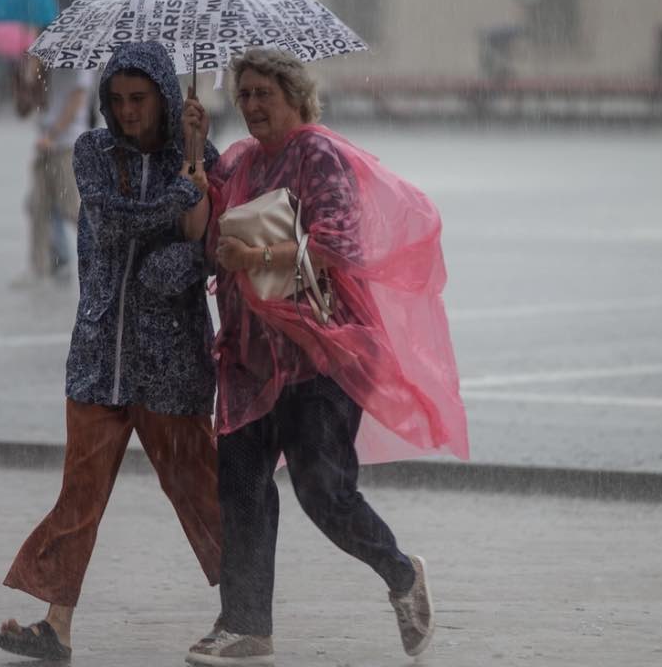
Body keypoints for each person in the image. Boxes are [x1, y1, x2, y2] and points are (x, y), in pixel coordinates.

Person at [185, 48, 469, 665]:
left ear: (294, 96)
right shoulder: (234, 162)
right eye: (246, 95)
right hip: (246, 355)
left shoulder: (318, 155)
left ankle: (400, 574)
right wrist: (192, 160)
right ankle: (245, 625)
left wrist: (258, 258)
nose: (254, 105)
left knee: (324, 491)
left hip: (317, 352)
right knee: (242, 490)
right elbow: (209, 246)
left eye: (265, 93)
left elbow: (338, 246)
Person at [0, 41, 223, 661]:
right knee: (80, 493)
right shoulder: (92, 152)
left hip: (172, 360)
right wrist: (179, 200)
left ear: (166, 98)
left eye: (139, 99)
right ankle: (56, 625)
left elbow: (206, 249)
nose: (127, 111)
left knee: (198, 487)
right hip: (100, 353)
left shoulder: (202, 158)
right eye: (118, 99)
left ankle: (245, 610)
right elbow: (112, 219)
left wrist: (197, 163)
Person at [9, 58, 96, 287]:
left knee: (71, 208)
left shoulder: (82, 60)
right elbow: (28, 107)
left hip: (68, 144)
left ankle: (102, 255)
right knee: (38, 206)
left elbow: (77, 100)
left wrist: (54, 134)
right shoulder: (47, 60)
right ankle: (38, 269)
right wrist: (30, 74)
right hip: (44, 144)